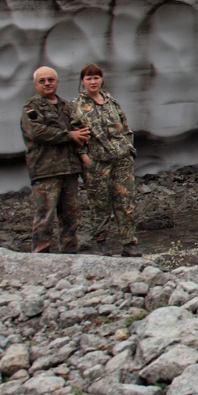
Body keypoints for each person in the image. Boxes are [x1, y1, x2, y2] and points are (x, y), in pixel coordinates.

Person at [75, 62, 140, 256]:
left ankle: (128, 243)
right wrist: (84, 156)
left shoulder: (112, 102)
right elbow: (74, 135)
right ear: (82, 81)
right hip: (97, 162)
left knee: (125, 202)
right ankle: (101, 242)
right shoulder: (77, 106)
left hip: (121, 160)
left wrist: (129, 149)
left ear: (101, 79)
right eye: (89, 78)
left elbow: (125, 126)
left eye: (96, 77)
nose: (93, 81)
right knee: (100, 203)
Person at [22, 65, 88, 253]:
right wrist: (69, 135)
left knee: (71, 216)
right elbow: (37, 132)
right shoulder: (31, 108)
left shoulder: (66, 107)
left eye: (50, 80)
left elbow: (80, 131)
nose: (47, 83)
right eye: (42, 81)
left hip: (69, 169)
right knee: (45, 216)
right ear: (35, 85)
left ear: (57, 82)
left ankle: (70, 254)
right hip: (46, 170)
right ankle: (41, 257)